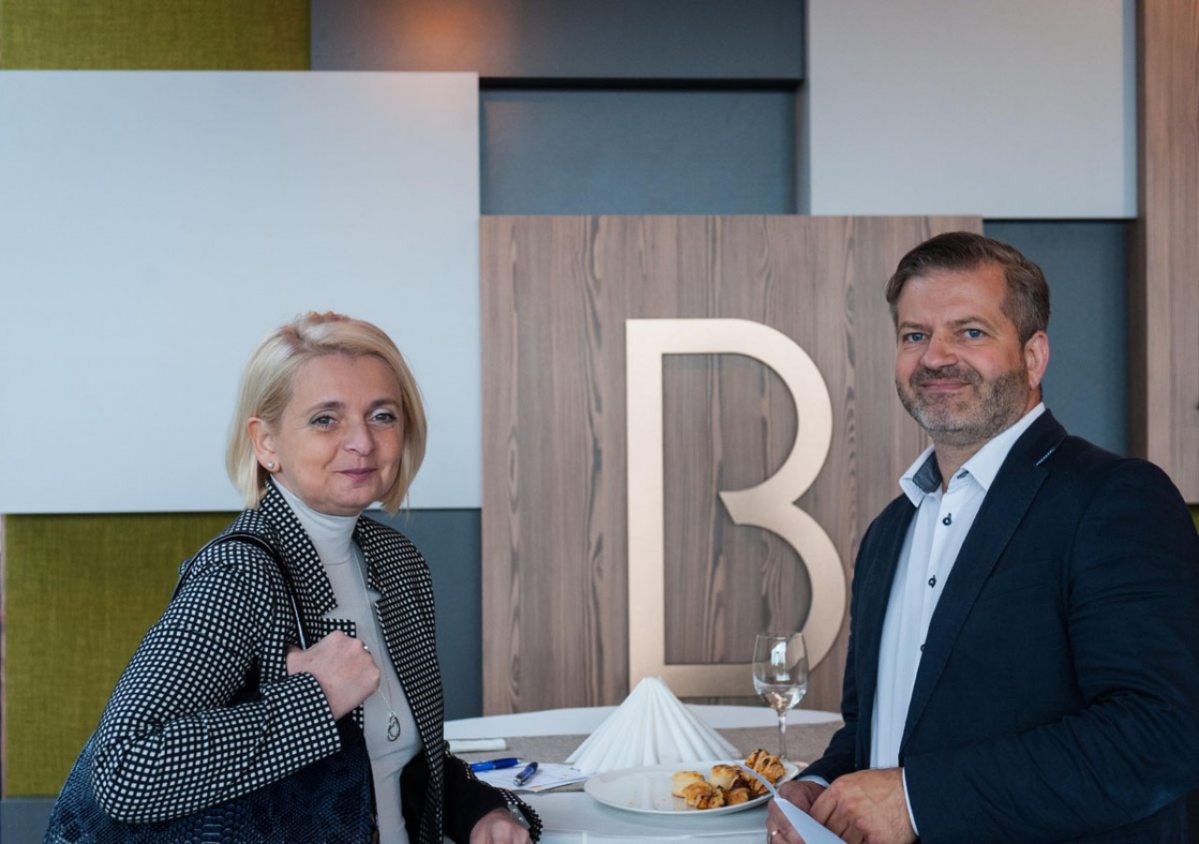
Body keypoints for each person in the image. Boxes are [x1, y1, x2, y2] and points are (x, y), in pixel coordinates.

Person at [767, 233, 1199, 843]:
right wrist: (820, 783)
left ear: (1033, 356)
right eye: (914, 335)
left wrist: (915, 801)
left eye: (970, 332)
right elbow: (879, 730)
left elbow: (1158, 734)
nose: (936, 357)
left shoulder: (1115, 498)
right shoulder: (890, 532)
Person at [88, 312, 536, 843]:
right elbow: (125, 771)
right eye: (326, 419)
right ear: (266, 443)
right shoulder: (239, 576)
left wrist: (480, 811)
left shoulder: (398, 562)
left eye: (382, 416)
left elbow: (401, 752)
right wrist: (317, 698)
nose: (362, 442)